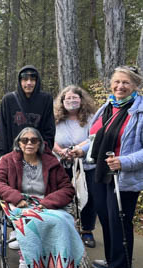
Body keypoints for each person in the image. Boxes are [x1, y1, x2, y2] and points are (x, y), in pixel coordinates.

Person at [71, 66, 143, 268]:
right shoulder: (109, 106)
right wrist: (82, 150)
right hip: (101, 173)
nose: (120, 86)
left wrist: (124, 161)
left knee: (119, 223)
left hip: (122, 178)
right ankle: (114, 260)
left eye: (126, 83)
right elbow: (95, 138)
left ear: (136, 86)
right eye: (117, 82)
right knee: (107, 220)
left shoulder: (139, 112)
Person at [0, 128, 84, 268]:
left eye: (34, 140)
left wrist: (47, 202)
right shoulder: (8, 160)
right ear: (18, 143)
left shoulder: (52, 162)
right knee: (32, 222)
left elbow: (67, 189)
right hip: (20, 203)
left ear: (40, 143)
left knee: (63, 221)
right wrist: (16, 197)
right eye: (25, 140)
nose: (29, 143)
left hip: (46, 203)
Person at [52, 85, 98, 248]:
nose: (71, 101)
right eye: (68, 98)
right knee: (63, 195)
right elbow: (51, 138)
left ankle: (87, 230)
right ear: (62, 101)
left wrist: (78, 149)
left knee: (88, 197)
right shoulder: (56, 118)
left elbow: (93, 136)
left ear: (81, 99)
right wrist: (61, 151)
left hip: (86, 165)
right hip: (62, 163)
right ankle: (65, 227)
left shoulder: (91, 117)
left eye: (75, 97)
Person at [0, 65, 55, 156]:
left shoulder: (46, 100)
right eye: (25, 79)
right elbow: (3, 130)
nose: (29, 83)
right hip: (13, 154)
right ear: (20, 81)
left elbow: (49, 129)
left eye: (32, 80)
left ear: (37, 81)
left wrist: (45, 152)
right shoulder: (9, 100)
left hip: (38, 154)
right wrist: (3, 154)